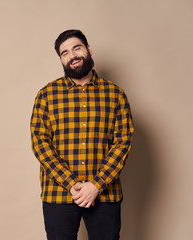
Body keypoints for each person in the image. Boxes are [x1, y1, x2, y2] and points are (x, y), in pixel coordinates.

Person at [30, 29, 134, 240]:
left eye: (76, 48)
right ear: (61, 59)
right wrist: (70, 183)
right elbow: (40, 144)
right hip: (58, 193)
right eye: (65, 53)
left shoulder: (115, 94)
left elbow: (123, 142)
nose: (72, 56)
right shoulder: (46, 95)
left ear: (88, 49)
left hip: (105, 194)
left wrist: (96, 185)